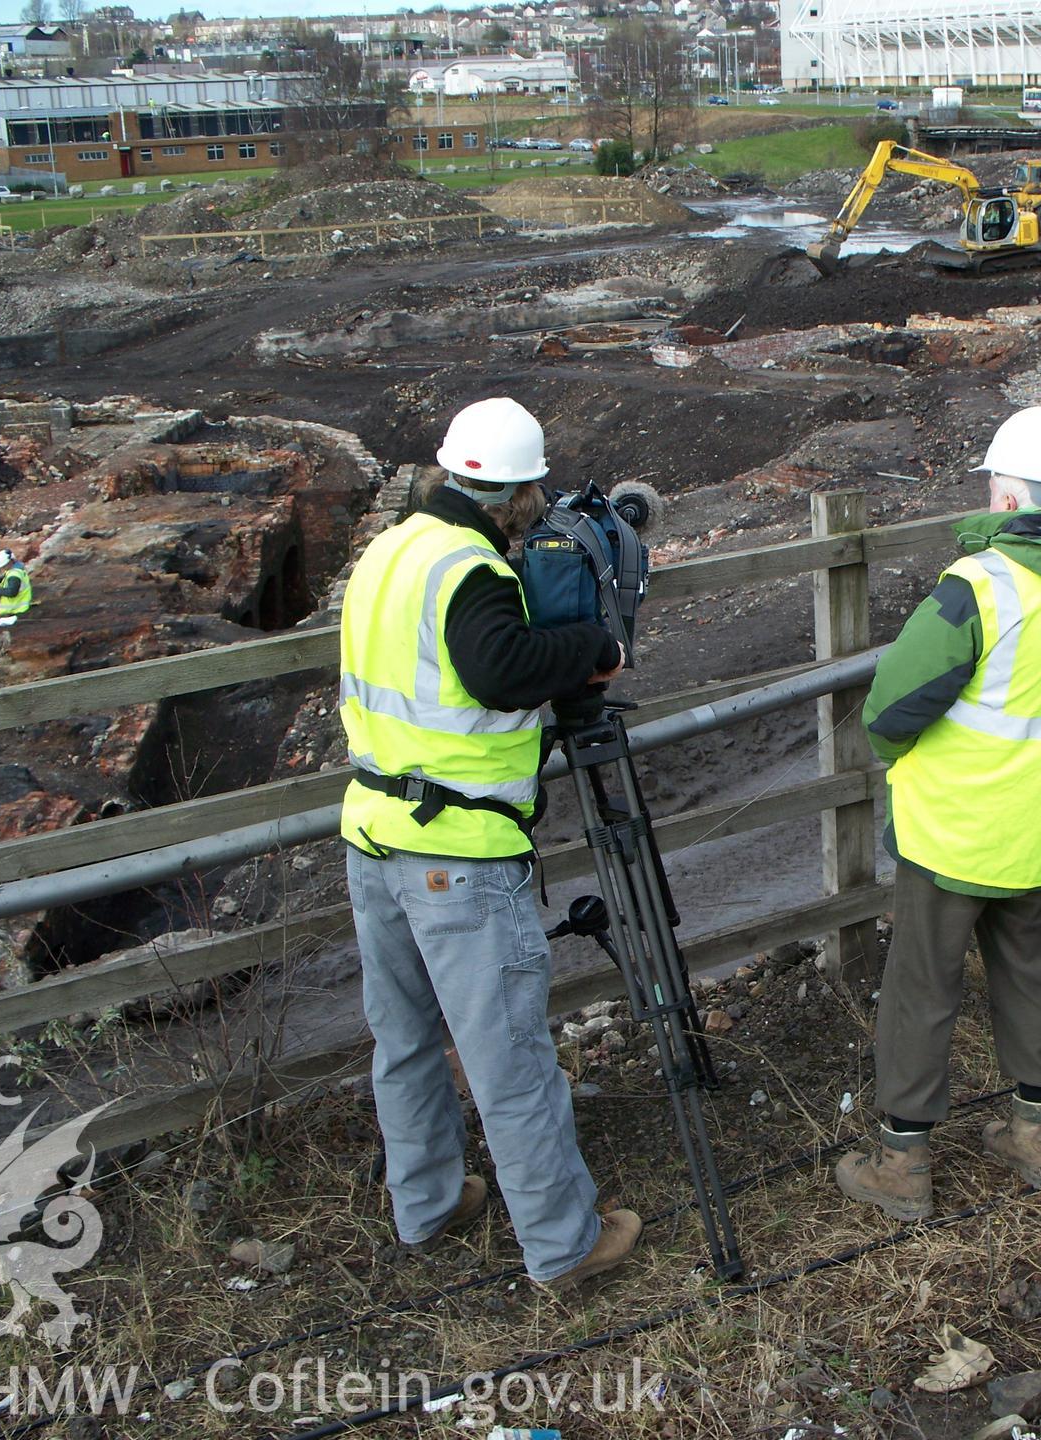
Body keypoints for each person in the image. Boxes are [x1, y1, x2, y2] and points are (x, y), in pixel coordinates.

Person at [338, 396, 641, 1287]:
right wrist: (591, 644)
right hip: (455, 852)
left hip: (373, 832)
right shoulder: (468, 567)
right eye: (533, 495)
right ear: (511, 492)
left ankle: (426, 1204)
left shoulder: (385, 555)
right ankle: (563, 1242)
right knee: (509, 1055)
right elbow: (499, 671)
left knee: (405, 1039)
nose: (536, 512)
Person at [835, 405, 1041, 1221]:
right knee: (1033, 975)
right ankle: (1038, 1138)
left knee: (922, 988)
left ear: (1012, 501)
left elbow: (892, 706)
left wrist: (904, 755)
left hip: (953, 832)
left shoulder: (980, 586)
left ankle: (903, 1166)